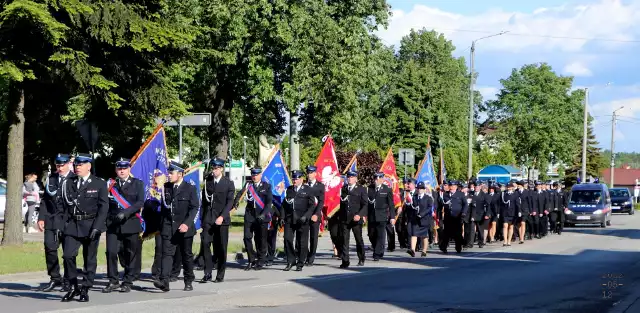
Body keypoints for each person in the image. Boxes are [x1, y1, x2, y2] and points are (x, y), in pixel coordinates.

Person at [60, 153, 108, 302]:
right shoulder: (69, 182)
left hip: (91, 224)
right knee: (68, 255)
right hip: (73, 225)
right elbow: (63, 205)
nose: (77, 167)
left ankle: (85, 288)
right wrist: (61, 225)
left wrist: (98, 227)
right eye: (76, 164)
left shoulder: (99, 183)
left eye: (81, 164)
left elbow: (103, 207)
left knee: (89, 259)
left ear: (89, 166)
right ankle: (74, 286)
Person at [154, 161, 199, 292]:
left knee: (186, 255)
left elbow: (194, 207)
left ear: (180, 174)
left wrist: (187, 223)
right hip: (168, 226)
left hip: (184, 227)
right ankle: (164, 281)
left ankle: (188, 280)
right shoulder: (166, 187)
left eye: (171, 173)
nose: (168, 175)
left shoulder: (189, 188)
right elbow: (164, 208)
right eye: (168, 172)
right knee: (166, 254)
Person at [103, 158, 145, 293]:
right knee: (111, 252)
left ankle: (127, 281)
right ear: (116, 170)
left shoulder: (137, 184)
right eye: (119, 168)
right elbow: (104, 203)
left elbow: (140, 203)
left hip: (130, 223)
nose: (121, 171)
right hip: (113, 224)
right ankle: (113, 280)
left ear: (129, 169)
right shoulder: (110, 185)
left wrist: (126, 213)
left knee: (130, 253)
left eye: (124, 168)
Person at [38, 153, 75, 292]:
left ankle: (68, 279)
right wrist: (41, 218)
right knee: (50, 248)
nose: (60, 167)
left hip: (68, 221)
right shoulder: (52, 179)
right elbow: (45, 201)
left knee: (68, 253)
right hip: (52, 219)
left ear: (68, 164)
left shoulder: (74, 179)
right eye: (58, 165)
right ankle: (55, 278)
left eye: (62, 165)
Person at [200, 158, 235, 283]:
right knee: (205, 244)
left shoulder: (228, 183)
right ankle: (207, 272)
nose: (214, 171)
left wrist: (222, 216)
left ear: (221, 169)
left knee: (221, 248)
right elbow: (204, 202)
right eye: (213, 168)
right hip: (208, 219)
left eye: (216, 168)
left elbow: (230, 202)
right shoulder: (208, 182)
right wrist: (201, 219)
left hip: (222, 220)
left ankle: (220, 274)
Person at [234, 167, 273, 271]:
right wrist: (236, 201)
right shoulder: (248, 185)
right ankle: (251, 259)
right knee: (247, 237)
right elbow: (239, 194)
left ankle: (261, 260)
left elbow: (269, 203)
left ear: (260, 175)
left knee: (261, 239)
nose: (254, 177)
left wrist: (264, 214)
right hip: (250, 215)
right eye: (253, 175)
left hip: (261, 215)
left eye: (256, 175)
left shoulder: (266, 186)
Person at [282, 170, 317, 271]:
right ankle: (291, 260)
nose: (294, 180)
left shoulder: (308, 189)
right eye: (293, 178)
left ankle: (300, 263)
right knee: (287, 239)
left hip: (302, 219)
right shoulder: (289, 189)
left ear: (301, 179)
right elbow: (284, 205)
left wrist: (306, 216)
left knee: (302, 242)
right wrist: (282, 217)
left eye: (296, 179)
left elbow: (312, 206)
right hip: (290, 219)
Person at [337, 170, 367, 268]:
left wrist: (360, 215)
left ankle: (361, 258)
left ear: (356, 179)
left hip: (356, 219)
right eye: (348, 177)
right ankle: (345, 261)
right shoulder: (344, 188)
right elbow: (342, 204)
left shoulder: (361, 189)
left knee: (358, 239)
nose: (350, 179)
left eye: (352, 177)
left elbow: (365, 204)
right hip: (345, 218)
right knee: (344, 240)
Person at [367, 172, 395, 261]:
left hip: (382, 215)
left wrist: (392, 217)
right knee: (371, 234)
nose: (376, 181)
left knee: (380, 235)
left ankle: (377, 253)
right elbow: (366, 203)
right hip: (371, 215)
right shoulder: (369, 188)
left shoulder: (387, 189)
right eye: (375, 179)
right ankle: (378, 248)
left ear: (382, 179)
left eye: (377, 179)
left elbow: (391, 204)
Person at [438, 180, 467, 254]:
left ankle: (458, 246)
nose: (452, 187)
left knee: (458, 233)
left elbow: (465, 205)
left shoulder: (460, 194)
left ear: (456, 187)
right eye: (450, 186)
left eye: (453, 186)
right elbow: (440, 205)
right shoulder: (445, 195)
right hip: (448, 216)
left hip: (457, 217)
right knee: (446, 233)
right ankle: (443, 247)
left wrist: (463, 212)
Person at [406, 182, 433, 257]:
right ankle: (412, 250)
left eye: (421, 188)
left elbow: (429, 208)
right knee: (414, 234)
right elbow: (412, 206)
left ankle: (424, 250)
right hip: (415, 219)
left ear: (424, 189)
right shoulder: (414, 197)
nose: (420, 190)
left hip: (424, 219)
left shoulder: (428, 198)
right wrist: (408, 204)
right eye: (418, 188)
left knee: (424, 236)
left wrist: (422, 214)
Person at [305, 165, 325, 266]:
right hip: (305, 214)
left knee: (313, 237)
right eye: (308, 173)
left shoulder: (320, 186)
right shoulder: (304, 185)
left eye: (311, 173)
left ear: (315, 173)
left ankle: (311, 257)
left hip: (315, 215)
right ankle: (305, 254)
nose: (309, 175)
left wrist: (316, 214)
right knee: (303, 237)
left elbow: (321, 202)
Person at [500, 181, 520, 247]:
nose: (509, 188)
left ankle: (509, 241)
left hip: (513, 213)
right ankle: (505, 241)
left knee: (511, 226)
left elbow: (517, 204)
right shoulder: (504, 194)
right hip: (505, 212)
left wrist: (519, 211)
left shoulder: (515, 194)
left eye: (510, 187)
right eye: (508, 187)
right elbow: (501, 204)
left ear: (512, 187)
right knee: (505, 226)